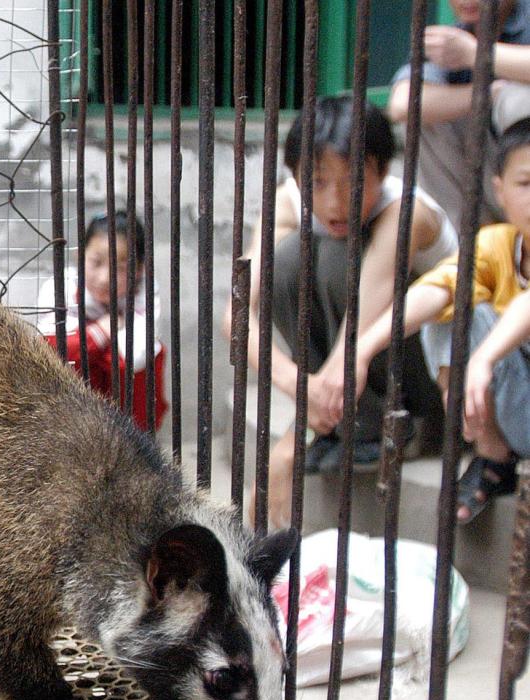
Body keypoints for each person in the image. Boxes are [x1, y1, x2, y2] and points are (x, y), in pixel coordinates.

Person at [227, 96, 453, 529]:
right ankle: (337, 423)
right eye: (318, 181)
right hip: (344, 375)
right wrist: (302, 389)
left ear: (383, 172)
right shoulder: (287, 202)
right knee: (288, 259)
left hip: (422, 379)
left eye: (354, 182)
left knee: (335, 260)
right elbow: (236, 317)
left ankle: (376, 424)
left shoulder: (406, 210)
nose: (335, 201)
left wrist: (292, 440)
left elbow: (362, 326)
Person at [321, 117, 530, 525]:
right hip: (515, 411)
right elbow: (434, 290)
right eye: (527, 183)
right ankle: (493, 456)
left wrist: (483, 359)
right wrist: (360, 351)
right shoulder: (498, 244)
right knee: (447, 306)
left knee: (477, 316)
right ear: (499, 190)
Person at [387, 0, 530, 229]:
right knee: (422, 114)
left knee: (517, 100)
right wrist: (486, 93)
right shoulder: (453, 38)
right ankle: (468, 247)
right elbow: (402, 104)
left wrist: (475, 53)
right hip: (489, 181)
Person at [36, 211, 167, 432]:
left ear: (139, 270)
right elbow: (50, 350)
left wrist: (84, 342)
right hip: (70, 408)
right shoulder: (62, 286)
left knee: (148, 357)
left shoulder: (144, 291)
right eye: (96, 262)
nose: (105, 278)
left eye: (121, 268)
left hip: (125, 409)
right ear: (80, 257)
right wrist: (101, 331)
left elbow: (135, 357)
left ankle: (134, 440)